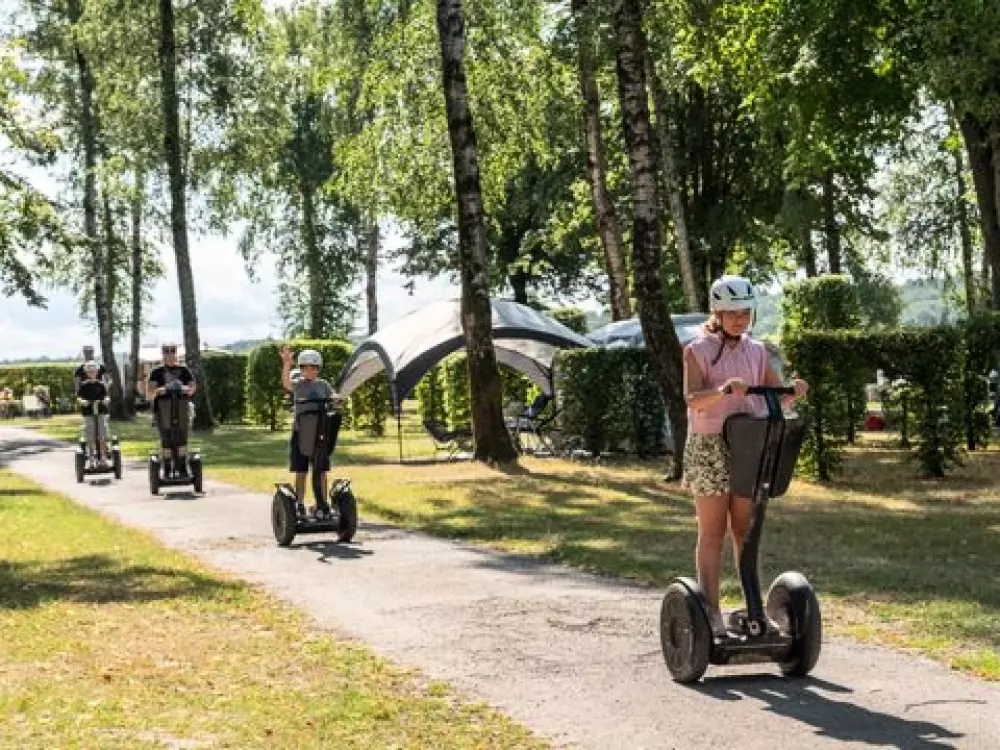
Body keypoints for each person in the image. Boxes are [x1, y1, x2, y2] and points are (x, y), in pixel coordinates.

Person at [682, 275, 809, 636]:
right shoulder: (696, 350)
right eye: (733, 313)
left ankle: (755, 610)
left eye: (745, 313)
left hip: (749, 444)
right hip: (710, 445)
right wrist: (722, 391)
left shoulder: (758, 351)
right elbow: (692, 399)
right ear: (718, 312)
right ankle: (710, 613)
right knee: (713, 532)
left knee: (744, 531)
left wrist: (793, 391)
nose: (740, 320)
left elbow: (774, 395)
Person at [280, 345, 340, 518]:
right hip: (301, 433)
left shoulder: (323, 384)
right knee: (301, 471)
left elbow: (333, 397)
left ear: (318, 368)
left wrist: (336, 399)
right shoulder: (298, 384)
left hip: (320, 434)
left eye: (313, 368)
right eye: (305, 367)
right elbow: (286, 384)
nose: (310, 371)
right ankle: (299, 504)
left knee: (321, 471)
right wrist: (287, 363)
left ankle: (322, 504)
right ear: (300, 369)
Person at [147, 342, 197, 476]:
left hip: (181, 406)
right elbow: (150, 392)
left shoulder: (184, 370)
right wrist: (160, 390)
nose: (170, 354)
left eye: (172, 351)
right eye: (167, 351)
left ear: (176, 354)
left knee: (182, 437)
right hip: (163, 408)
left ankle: (182, 466)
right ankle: (167, 467)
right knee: (166, 438)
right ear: (163, 354)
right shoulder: (156, 372)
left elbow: (192, 387)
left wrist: (186, 388)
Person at [77, 361, 110, 466]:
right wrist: (83, 401)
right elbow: (79, 397)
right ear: (86, 373)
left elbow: (106, 396)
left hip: (101, 411)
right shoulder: (84, 385)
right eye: (89, 371)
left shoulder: (101, 385)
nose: (92, 373)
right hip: (88, 412)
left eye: (93, 371)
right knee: (90, 434)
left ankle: (103, 457)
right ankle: (91, 456)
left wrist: (106, 400)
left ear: (97, 372)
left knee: (102, 434)